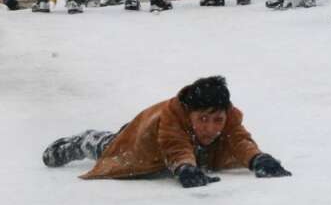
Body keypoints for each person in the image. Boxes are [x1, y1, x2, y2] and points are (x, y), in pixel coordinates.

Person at [42, 75, 292, 187]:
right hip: (141, 140)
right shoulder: (172, 118)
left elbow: (239, 140)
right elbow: (175, 146)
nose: (211, 127)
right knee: (108, 147)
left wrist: (257, 158)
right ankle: (80, 141)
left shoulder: (229, 117)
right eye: (203, 119)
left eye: (217, 119)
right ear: (189, 113)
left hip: (184, 148)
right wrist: (184, 167)